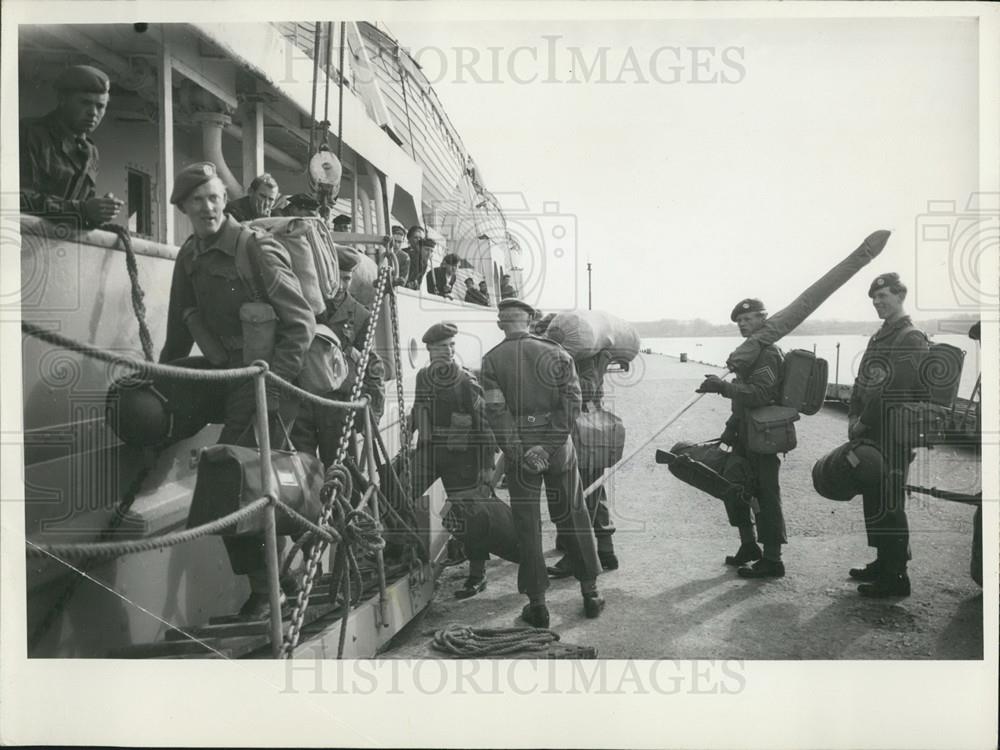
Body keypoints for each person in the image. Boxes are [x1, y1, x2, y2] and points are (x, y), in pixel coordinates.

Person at [159, 162, 315, 620]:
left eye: (213, 198)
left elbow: (301, 324)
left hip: (270, 377)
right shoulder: (189, 256)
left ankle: (268, 593)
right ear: (183, 207)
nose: (206, 207)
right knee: (237, 479)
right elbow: (176, 335)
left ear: (225, 200)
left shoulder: (255, 248)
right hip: (228, 373)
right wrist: (159, 385)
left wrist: (272, 383)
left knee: (232, 478)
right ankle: (279, 582)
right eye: (196, 201)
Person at [481, 298, 605, 627]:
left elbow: (495, 412)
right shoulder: (557, 353)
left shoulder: (491, 361)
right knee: (574, 516)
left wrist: (521, 451)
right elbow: (573, 402)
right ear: (531, 320)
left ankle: (537, 604)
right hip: (558, 450)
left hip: (520, 454)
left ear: (500, 324)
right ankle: (590, 592)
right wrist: (548, 447)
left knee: (527, 525)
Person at [847, 273, 930, 598]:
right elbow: (861, 381)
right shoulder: (880, 336)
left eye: (884, 296)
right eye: (875, 298)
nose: (878, 302)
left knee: (891, 502)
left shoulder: (910, 337)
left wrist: (862, 423)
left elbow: (895, 389)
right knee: (875, 495)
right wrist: (853, 416)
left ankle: (897, 576)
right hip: (870, 430)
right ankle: (883, 561)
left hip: (893, 434)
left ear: (901, 295)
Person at [697, 298, 787, 579]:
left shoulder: (767, 354)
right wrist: (729, 428)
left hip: (764, 436)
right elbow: (742, 401)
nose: (743, 324)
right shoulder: (749, 354)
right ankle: (748, 545)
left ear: (764, 320)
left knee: (765, 494)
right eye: (739, 322)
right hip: (743, 433)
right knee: (735, 487)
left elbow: (760, 394)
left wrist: (723, 387)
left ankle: (773, 559)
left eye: (749, 319)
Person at [409, 323, 497, 598]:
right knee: (400, 490)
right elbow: (418, 408)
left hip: (462, 456)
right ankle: (403, 552)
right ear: (430, 350)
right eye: (442, 346)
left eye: (452, 346)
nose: (448, 351)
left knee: (471, 513)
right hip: (431, 451)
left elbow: (484, 428)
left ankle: (477, 573)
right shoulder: (423, 377)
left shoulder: (466, 383)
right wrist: (409, 432)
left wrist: (486, 467)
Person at [290, 251, 385, 467]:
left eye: (347, 278)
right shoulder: (309, 307)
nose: (341, 285)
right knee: (302, 467)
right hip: (303, 399)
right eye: (337, 277)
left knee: (341, 470)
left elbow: (369, 364)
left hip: (338, 404)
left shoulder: (361, 315)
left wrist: (373, 410)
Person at [20, 65, 124, 228]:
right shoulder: (29, 134)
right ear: (62, 99)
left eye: (100, 106)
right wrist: (82, 209)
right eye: (85, 103)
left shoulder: (91, 152)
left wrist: (100, 209)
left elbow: (83, 205)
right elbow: (18, 198)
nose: (93, 113)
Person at [547, 347, 619, 578]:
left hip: (582, 428)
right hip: (592, 425)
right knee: (595, 489)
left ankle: (576, 556)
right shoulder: (591, 355)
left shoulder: (584, 358)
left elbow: (584, 391)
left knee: (580, 492)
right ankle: (606, 550)